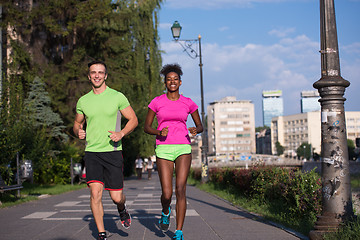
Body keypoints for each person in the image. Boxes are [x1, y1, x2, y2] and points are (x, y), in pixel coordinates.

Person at [73, 60, 138, 240]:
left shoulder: (117, 96)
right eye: (93, 72)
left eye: (100, 72)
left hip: (113, 152)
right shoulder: (83, 101)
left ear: (106, 75)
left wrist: (121, 133)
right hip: (92, 152)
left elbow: (133, 119)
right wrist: (77, 131)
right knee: (95, 193)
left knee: (117, 197)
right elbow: (77, 123)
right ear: (89, 76)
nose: (97, 75)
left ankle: (121, 208)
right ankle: (101, 233)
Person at [144, 63, 203, 240]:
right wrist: (158, 132)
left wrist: (195, 129)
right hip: (163, 148)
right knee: (167, 193)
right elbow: (146, 127)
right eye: (169, 79)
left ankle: (178, 231)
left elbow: (200, 125)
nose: (172, 82)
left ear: (180, 82)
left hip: (183, 147)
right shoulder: (157, 102)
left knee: (180, 189)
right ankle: (165, 210)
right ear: (165, 83)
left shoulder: (188, 102)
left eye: (175, 79)